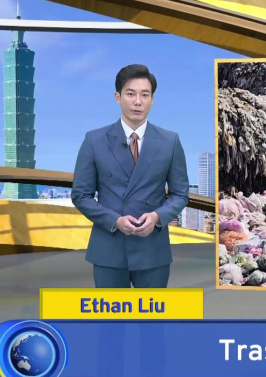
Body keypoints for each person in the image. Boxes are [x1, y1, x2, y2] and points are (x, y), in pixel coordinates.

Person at [72, 64, 189, 288]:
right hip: (109, 249)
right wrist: (114, 221)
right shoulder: (94, 141)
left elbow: (180, 194)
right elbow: (81, 195)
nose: (138, 101)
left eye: (145, 95)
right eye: (131, 94)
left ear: (152, 100)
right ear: (118, 97)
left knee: (153, 322)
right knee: (110, 322)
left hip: (153, 250)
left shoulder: (170, 141)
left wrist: (157, 217)